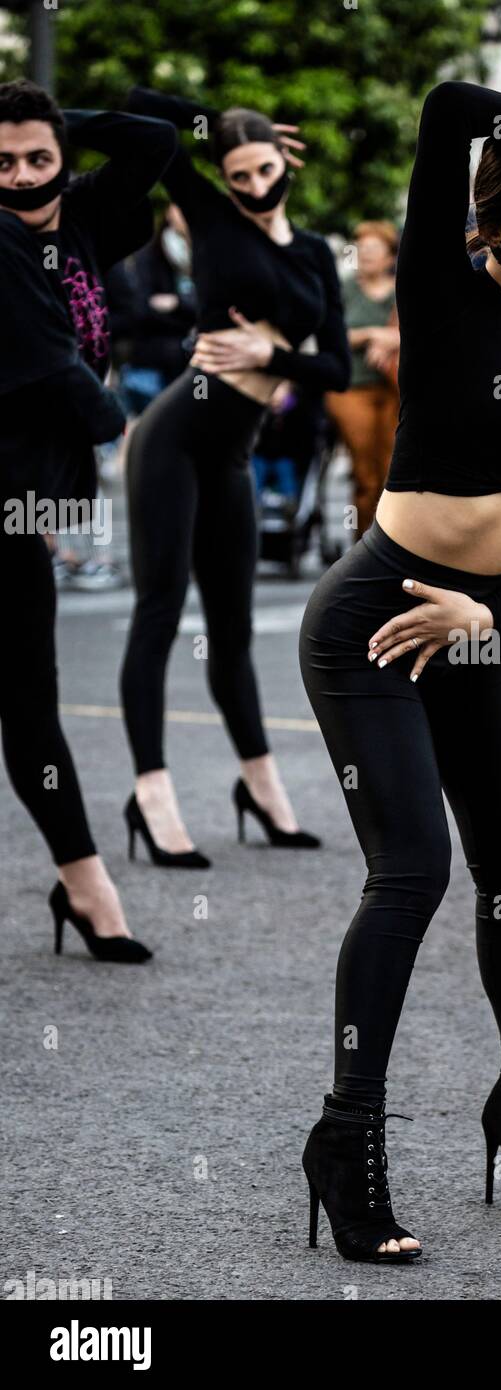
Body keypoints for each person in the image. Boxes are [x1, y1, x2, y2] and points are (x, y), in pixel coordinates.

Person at [298, 80, 501, 1263]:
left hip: (469, 626)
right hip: (376, 622)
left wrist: (483, 608)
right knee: (412, 871)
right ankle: (347, 1141)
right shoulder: (445, 300)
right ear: (491, 226)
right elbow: (441, 111)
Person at [117, 88, 351, 866]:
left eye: (264, 169)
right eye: (239, 174)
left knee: (235, 631)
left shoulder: (315, 252)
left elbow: (338, 369)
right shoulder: (214, 219)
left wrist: (268, 356)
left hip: (233, 451)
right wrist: (219, 120)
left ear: (288, 160)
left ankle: (261, 786)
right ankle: (151, 794)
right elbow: (140, 105)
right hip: (173, 438)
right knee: (159, 613)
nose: (255, 186)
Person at [0, 78, 176, 961]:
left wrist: (62, 116)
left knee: (29, 706)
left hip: (20, 500)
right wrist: (133, 436)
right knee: (28, 707)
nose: (23, 175)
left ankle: (84, 884)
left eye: (39, 157)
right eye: (2, 160)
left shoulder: (76, 219)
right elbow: (49, 362)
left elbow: (153, 140)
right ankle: (91, 888)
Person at [322, 219, 400, 536]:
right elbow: (331, 334)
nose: (366, 255)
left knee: (391, 473)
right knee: (364, 473)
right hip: (351, 388)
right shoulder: (344, 289)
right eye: (361, 249)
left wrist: (392, 339)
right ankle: (362, 542)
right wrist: (372, 334)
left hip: (394, 388)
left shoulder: (403, 290)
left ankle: (391, 544)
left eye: (374, 249)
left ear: (390, 257)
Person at [105, 202, 197, 416]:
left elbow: (210, 308)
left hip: (192, 367)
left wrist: (176, 304)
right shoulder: (149, 254)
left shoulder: (208, 256)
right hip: (150, 365)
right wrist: (187, 312)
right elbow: (139, 310)